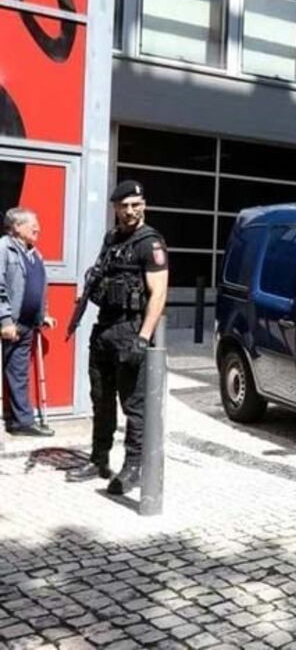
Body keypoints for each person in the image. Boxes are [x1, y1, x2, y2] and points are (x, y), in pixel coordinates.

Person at [67, 181, 169, 495]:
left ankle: (134, 466)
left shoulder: (150, 243)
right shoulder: (111, 239)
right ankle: (99, 459)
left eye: (135, 204)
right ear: (115, 208)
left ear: (144, 205)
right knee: (101, 399)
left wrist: (143, 337)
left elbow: (158, 294)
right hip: (104, 329)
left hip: (130, 330)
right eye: (123, 206)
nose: (129, 211)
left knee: (134, 406)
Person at [0, 208, 56, 437]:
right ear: (16, 227)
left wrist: (43, 314)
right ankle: (20, 420)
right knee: (14, 372)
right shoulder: (4, 249)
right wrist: (4, 320)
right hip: (9, 324)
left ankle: (20, 422)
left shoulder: (34, 254)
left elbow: (39, 286)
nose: (38, 229)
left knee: (18, 373)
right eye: (32, 225)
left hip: (27, 324)